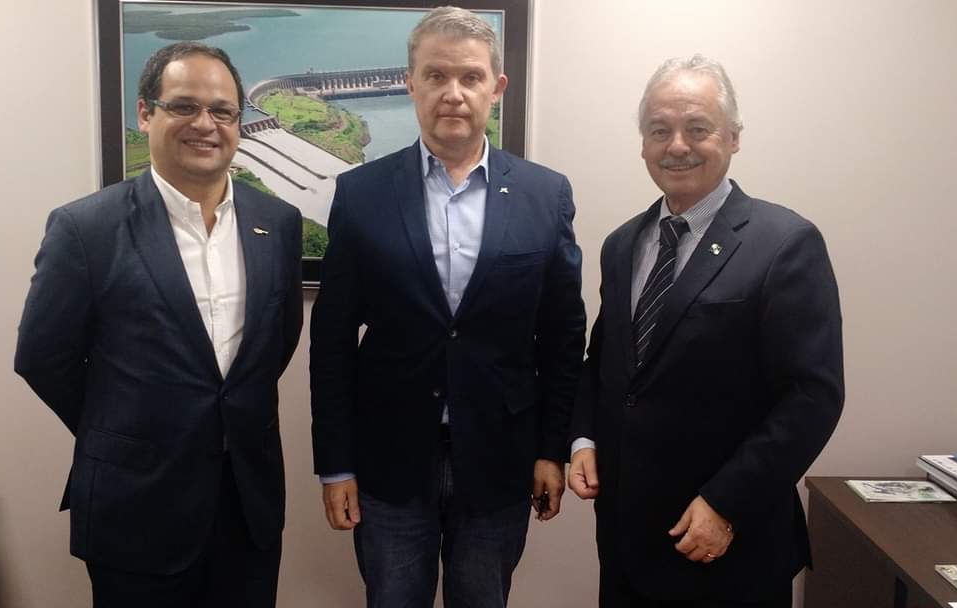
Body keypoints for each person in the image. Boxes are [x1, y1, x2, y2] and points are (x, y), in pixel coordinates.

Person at [309, 6, 586, 607]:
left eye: (470, 77)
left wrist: (552, 448)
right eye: (435, 75)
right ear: (410, 83)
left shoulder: (545, 194)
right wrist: (336, 465)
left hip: (501, 457)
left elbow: (564, 337)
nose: (453, 93)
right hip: (389, 458)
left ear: (497, 87)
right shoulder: (361, 194)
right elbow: (331, 341)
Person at [15, 42, 302, 608]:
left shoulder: (278, 222)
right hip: (135, 505)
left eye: (222, 111)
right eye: (184, 106)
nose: (205, 124)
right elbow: (42, 357)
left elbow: (276, 344)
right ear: (146, 113)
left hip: (247, 503)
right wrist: (124, 427)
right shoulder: (86, 228)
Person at [568, 55, 844, 608]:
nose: (677, 146)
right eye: (659, 130)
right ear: (643, 144)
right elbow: (606, 362)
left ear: (734, 137)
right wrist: (583, 438)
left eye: (698, 128)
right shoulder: (623, 244)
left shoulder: (785, 243)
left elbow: (812, 396)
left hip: (726, 546)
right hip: (626, 541)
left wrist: (726, 503)